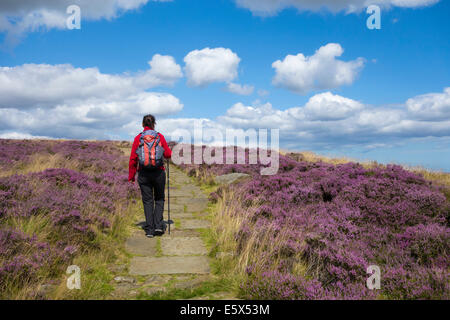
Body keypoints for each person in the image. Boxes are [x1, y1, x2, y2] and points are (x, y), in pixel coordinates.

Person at [129, 114, 172, 238]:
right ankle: (158, 226)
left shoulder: (138, 138)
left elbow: (133, 159)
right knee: (159, 198)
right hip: (158, 173)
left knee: (147, 201)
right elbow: (168, 154)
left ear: (143, 124)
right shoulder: (160, 137)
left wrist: (131, 176)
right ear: (154, 124)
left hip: (143, 173)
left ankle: (149, 230)